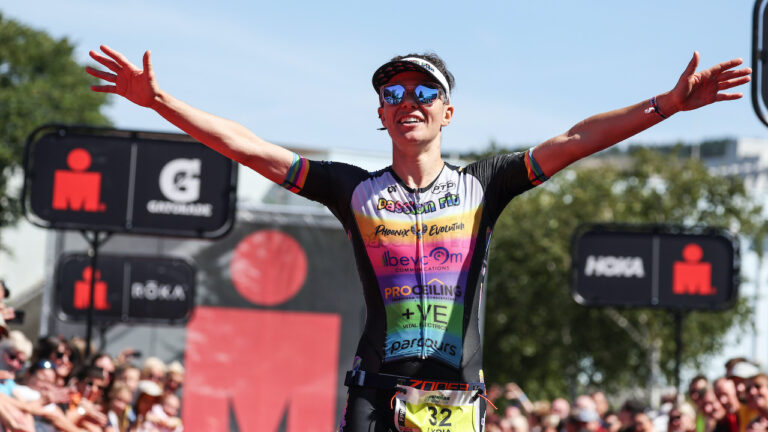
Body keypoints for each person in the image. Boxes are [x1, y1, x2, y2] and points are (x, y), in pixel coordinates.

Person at [86, 45, 751, 432]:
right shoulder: (352, 189)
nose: (408, 99)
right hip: (375, 394)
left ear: (447, 111)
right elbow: (252, 149)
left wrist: (667, 105)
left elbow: (578, 140)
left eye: (423, 89)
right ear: (380, 114)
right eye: (392, 91)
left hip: (455, 400)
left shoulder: (484, 185)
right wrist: (162, 103)